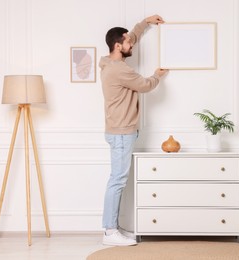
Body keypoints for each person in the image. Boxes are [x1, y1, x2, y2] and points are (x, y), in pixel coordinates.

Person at [99, 15, 168, 246]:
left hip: (120, 131)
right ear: (118, 46)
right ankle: (109, 231)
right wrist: (158, 75)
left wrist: (145, 23)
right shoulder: (119, 70)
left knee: (117, 179)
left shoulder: (110, 63)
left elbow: (133, 36)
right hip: (121, 133)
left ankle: (113, 228)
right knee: (117, 180)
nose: (132, 44)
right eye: (128, 42)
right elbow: (146, 85)